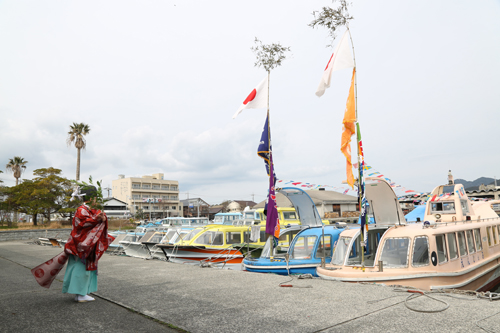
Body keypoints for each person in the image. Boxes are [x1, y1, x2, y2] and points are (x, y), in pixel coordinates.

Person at [31, 185, 114, 303]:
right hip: (82, 246)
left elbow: (94, 219)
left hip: (80, 245)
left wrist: (101, 217)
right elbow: (84, 224)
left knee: (79, 268)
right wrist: (98, 219)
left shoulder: (86, 210)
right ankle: (81, 294)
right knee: (82, 269)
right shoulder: (82, 210)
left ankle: (81, 293)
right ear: (92, 198)